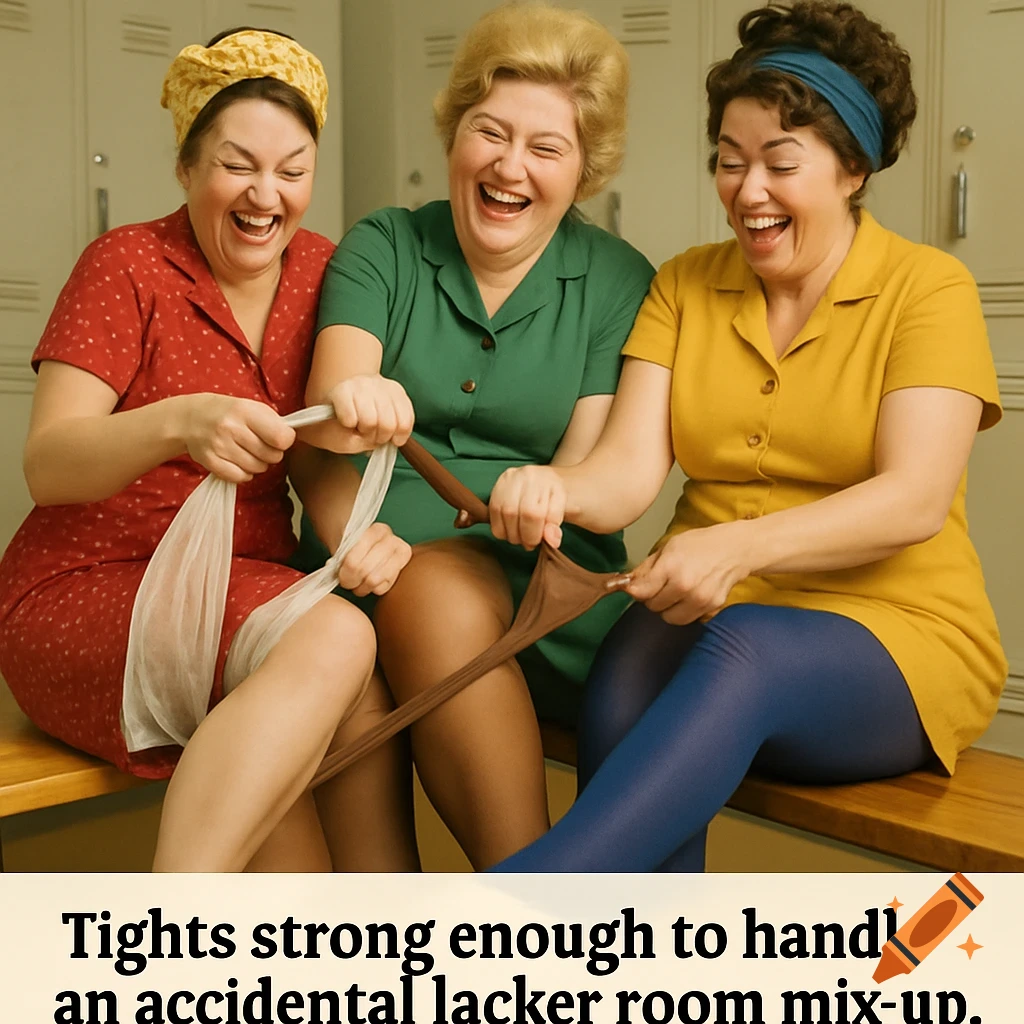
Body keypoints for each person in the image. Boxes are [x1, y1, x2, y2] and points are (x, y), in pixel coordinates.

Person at [487, 0, 1007, 872]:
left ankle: (522, 907)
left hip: (897, 642)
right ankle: (631, 945)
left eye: (780, 163)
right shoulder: (685, 284)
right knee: (628, 667)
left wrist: (738, 548)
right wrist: (553, 486)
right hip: (709, 626)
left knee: (744, 647)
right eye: (729, 162)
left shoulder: (929, 289)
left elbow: (914, 499)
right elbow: (626, 472)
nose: (746, 191)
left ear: (852, 167)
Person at [0, 28, 417, 872]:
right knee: (339, 640)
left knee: (358, 703)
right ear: (186, 167)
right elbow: (49, 464)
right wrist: (179, 422)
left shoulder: (325, 271)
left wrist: (355, 534)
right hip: (89, 588)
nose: (266, 194)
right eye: (237, 164)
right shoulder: (126, 263)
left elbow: (310, 454)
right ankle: (176, 911)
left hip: (240, 594)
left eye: (293, 170)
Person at [294, 2, 655, 869]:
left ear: (585, 171)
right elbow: (322, 429)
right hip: (366, 564)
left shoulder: (617, 280)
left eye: (546, 148)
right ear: (455, 132)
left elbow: (589, 473)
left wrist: (554, 491)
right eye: (490, 132)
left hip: (534, 583)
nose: (509, 166)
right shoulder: (383, 245)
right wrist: (348, 539)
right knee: (344, 662)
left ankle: (529, 895)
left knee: (424, 597)